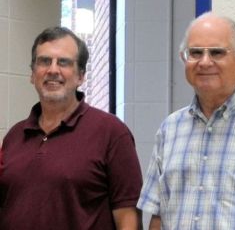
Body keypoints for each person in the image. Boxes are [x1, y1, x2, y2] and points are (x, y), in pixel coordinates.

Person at [137, 12, 235, 229]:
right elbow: (157, 218)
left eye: (216, 52)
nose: (204, 62)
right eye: (195, 53)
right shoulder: (170, 129)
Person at [0, 27, 143, 230]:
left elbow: (128, 217)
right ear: (32, 74)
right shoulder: (14, 137)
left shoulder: (111, 132)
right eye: (44, 61)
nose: (53, 70)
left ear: (81, 76)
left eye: (64, 62)